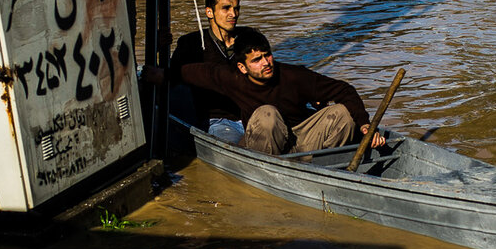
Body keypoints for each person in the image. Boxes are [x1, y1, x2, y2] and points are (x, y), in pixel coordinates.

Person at [147, 28, 385, 155]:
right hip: (263, 144)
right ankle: (273, 168)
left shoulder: (293, 76)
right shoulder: (231, 78)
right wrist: (160, 75)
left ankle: (322, 165)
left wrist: (365, 125)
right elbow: (193, 73)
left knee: (342, 113)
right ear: (242, 67)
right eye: (257, 60)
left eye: (267, 55)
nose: (266, 63)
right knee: (267, 114)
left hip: (300, 140)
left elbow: (345, 90)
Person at [169, 0, 245, 144]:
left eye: (236, 8)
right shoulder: (192, 44)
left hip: (252, 116)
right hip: (219, 121)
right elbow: (171, 78)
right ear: (209, 12)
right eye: (226, 8)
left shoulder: (249, 39)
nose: (233, 14)